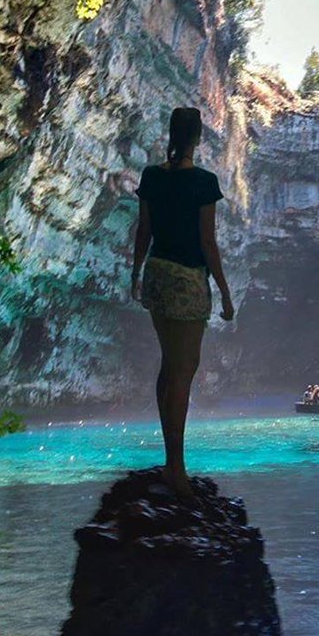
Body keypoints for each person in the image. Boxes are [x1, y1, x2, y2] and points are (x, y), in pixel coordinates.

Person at [131, 107, 234, 500]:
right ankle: (176, 468)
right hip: (187, 279)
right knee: (183, 370)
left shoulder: (151, 176)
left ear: (172, 134)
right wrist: (224, 290)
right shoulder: (204, 182)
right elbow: (207, 241)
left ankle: (170, 460)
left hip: (157, 273)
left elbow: (144, 230)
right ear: (198, 137)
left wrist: (136, 273)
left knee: (169, 366)